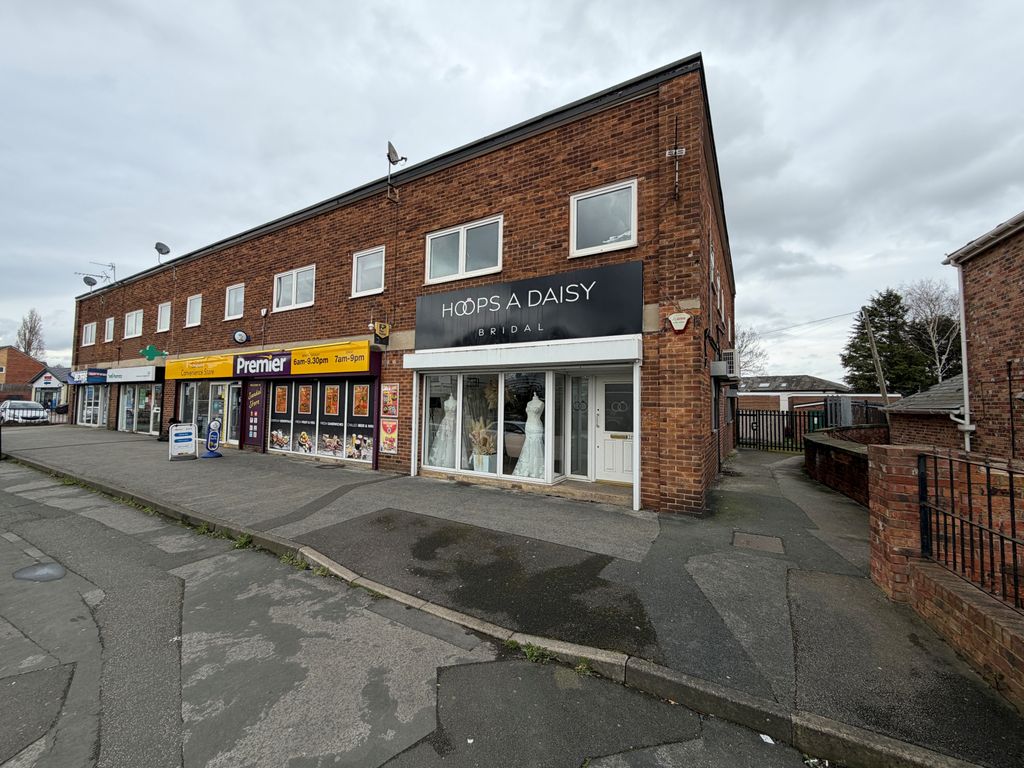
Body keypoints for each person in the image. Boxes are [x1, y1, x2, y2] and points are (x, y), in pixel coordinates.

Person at [513, 392, 545, 478]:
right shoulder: (529, 403)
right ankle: (526, 469)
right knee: (527, 446)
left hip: (536, 425)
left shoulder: (541, 403)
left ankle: (536, 470)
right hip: (528, 425)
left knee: (536, 446)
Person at [428, 393, 457, 468]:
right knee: (443, 440)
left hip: (453, 422)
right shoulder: (445, 402)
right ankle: (443, 460)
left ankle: (452, 461)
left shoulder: (456, 402)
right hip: (446, 421)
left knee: (452, 440)